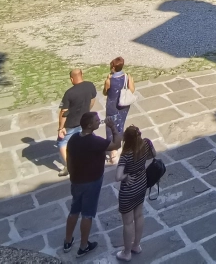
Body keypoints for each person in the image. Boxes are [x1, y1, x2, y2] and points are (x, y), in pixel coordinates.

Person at [62, 112, 120, 257]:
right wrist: (113, 127)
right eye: (96, 120)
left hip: (76, 181)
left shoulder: (74, 138)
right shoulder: (95, 142)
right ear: (89, 125)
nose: (99, 121)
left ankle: (67, 241)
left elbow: (69, 159)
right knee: (87, 214)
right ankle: (83, 246)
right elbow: (117, 144)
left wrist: (72, 175)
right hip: (92, 182)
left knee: (74, 210)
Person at [114, 124, 156, 261]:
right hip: (142, 185)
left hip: (128, 191)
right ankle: (136, 245)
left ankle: (126, 253)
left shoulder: (126, 155)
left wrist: (126, 176)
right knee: (139, 215)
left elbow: (118, 176)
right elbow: (154, 154)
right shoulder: (146, 144)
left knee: (127, 223)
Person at [57, 68, 97, 177]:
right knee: (85, 139)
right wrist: (87, 110)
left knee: (62, 142)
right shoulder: (90, 85)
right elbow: (92, 100)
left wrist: (61, 128)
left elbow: (64, 112)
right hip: (84, 121)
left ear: (71, 79)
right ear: (82, 74)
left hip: (71, 124)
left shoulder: (69, 93)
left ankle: (69, 166)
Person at [104, 57, 135, 165]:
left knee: (110, 128)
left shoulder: (109, 80)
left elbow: (105, 92)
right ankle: (119, 146)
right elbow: (132, 90)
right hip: (124, 106)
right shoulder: (127, 77)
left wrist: (107, 81)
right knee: (120, 125)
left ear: (113, 67)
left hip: (112, 106)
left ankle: (113, 153)